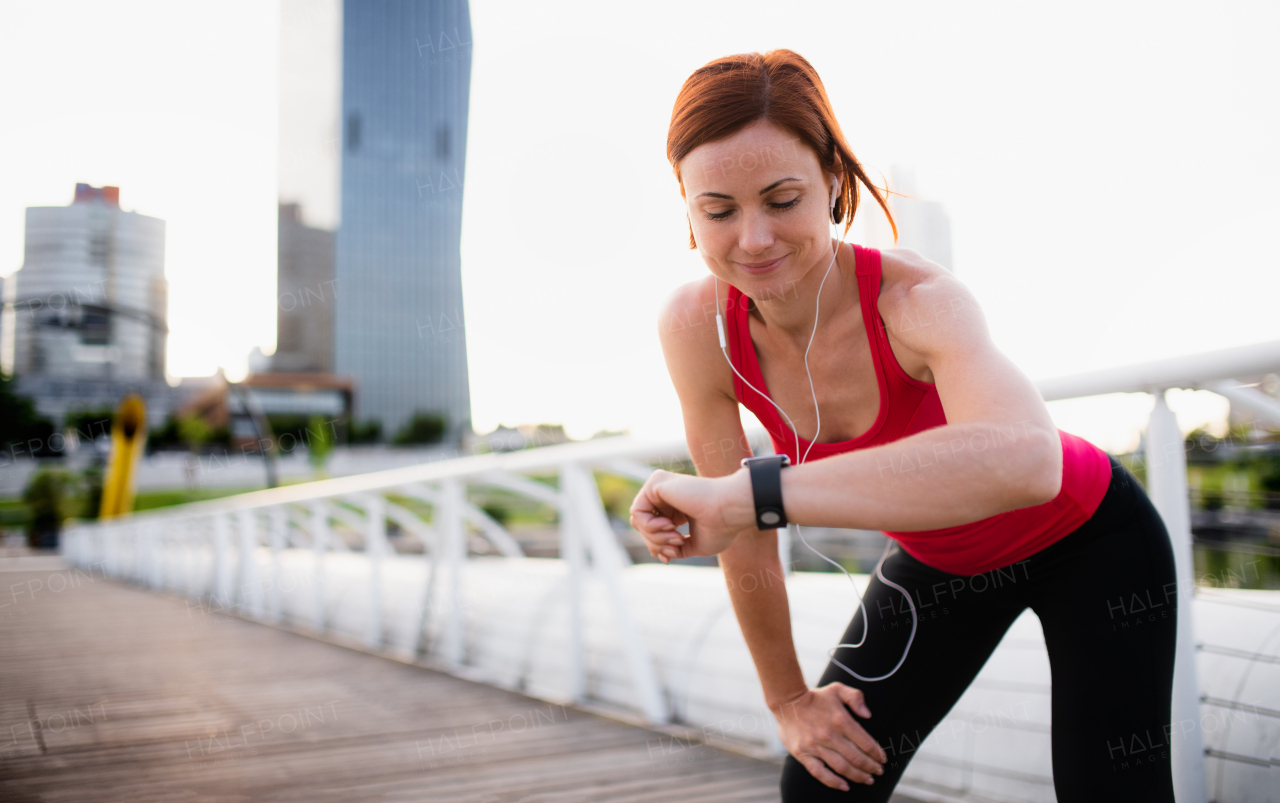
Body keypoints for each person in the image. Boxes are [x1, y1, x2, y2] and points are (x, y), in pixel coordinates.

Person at [629, 50, 1178, 802]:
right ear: (688, 209)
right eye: (718, 210)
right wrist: (788, 700)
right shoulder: (697, 327)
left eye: (782, 199)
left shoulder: (918, 299)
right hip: (943, 562)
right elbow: (742, 528)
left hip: (1090, 539)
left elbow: (1027, 461)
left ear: (831, 180)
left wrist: (753, 493)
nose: (752, 239)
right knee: (821, 789)